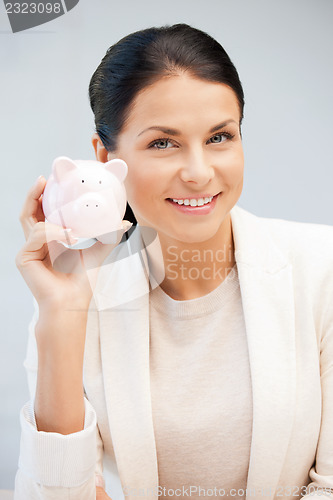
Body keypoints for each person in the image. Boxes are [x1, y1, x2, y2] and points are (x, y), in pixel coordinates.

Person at [14, 23, 333, 500]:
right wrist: (62, 316)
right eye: (163, 143)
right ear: (104, 156)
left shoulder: (321, 269)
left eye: (220, 137)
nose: (199, 172)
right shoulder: (75, 300)